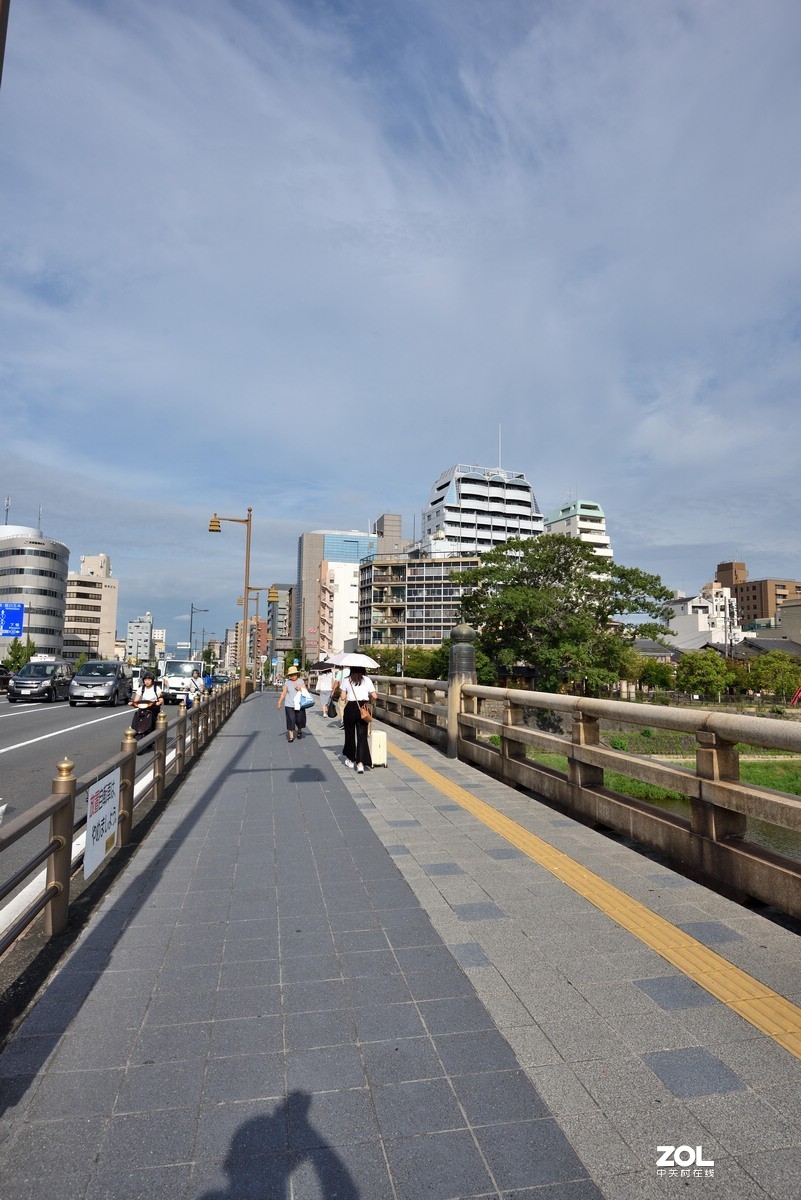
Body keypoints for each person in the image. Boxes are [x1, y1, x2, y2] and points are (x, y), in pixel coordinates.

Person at [341, 666, 377, 773]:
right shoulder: (367, 680)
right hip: (363, 709)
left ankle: (351, 760)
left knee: (349, 735)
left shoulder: (346, 680)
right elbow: (375, 696)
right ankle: (360, 763)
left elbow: (343, 697)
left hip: (350, 709)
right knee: (362, 736)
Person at [129, 669, 163, 740]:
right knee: (137, 715)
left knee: (154, 718)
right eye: (145, 680)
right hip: (143, 707)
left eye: (149, 680)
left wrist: (158, 702)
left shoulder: (156, 688)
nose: (147, 681)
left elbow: (161, 698)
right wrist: (132, 703)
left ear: (152, 680)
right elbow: (136, 700)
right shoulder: (141, 689)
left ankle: (154, 735)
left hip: (153, 707)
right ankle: (135, 730)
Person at [276, 666, 307, 742]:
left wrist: (300, 689)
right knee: (291, 719)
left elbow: (306, 692)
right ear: (289, 676)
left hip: (299, 704)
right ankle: (291, 736)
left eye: (294, 674)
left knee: (299, 720)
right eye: (291, 675)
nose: (293, 676)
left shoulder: (301, 682)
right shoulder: (287, 683)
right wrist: (279, 702)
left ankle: (299, 730)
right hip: (289, 704)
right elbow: (283, 693)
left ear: (297, 674)